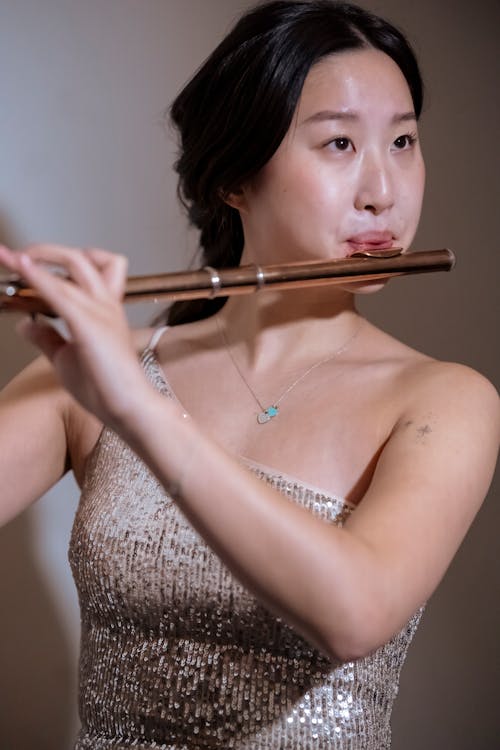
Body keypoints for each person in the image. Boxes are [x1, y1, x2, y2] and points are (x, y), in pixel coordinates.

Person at [0, 1, 498, 747]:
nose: (384, 191)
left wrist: (138, 407)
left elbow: (355, 614)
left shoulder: (445, 400)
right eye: (339, 143)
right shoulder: (96, 373)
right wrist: (122, 383)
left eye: (403, 141)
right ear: (234, 175)